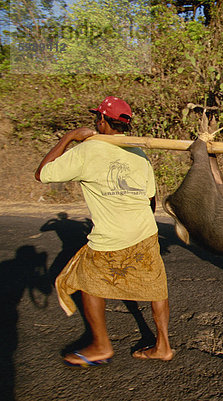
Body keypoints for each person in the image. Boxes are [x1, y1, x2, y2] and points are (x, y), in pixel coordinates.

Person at [35, 96, 173, 367]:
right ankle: (163, 346)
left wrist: (69, 137)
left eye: (96, 117)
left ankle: (100, 345)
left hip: (113, 235)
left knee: (88, 280)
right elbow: (151, 200)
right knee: (156, 286)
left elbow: (42, 174)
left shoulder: (87, 150)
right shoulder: (138, 152)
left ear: (101, 120)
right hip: (146, 230)